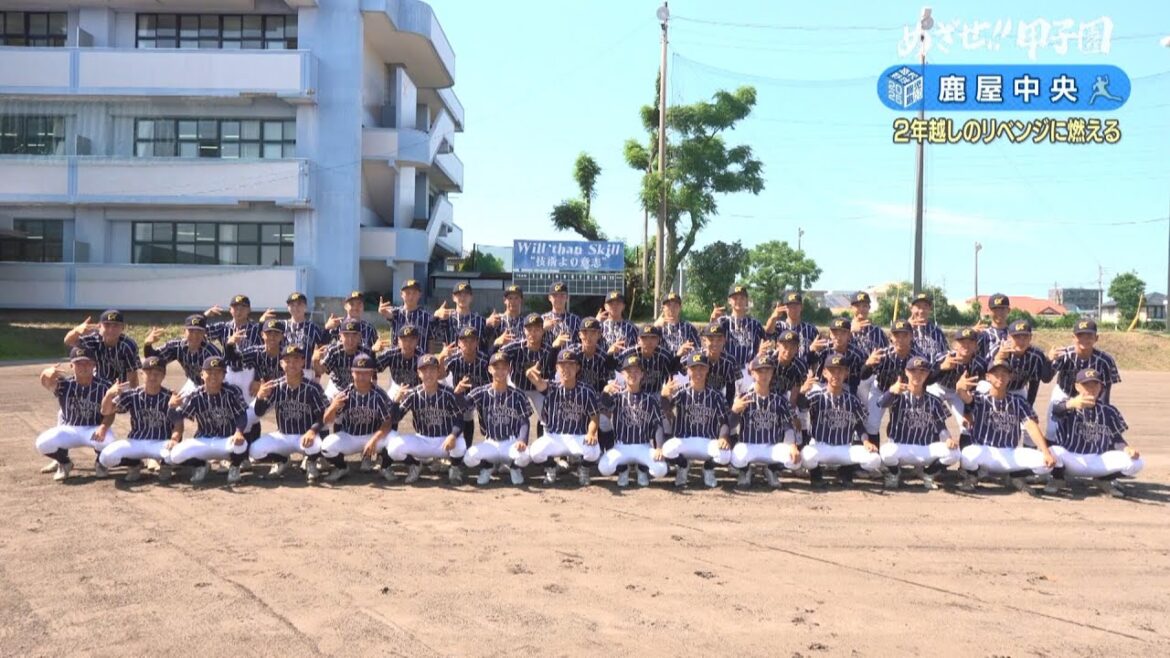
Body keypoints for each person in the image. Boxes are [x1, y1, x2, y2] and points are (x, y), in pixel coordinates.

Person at [955, 362, 1057, 495]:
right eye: (996, 374)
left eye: (1004, 374)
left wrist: (1046, 452)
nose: (1000, 377)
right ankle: (973, 476)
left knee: (1046, 463)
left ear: (1010, 377)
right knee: (967, 454)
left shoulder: (1018, 401)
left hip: (1010, 454)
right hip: (986, 452)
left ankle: (1014, 476)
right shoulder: (979, 398)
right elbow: (965, 397)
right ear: (988, 377)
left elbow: (1031, 426)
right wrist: (959, 388)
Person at [1044, 368, 1144, 498]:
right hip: (1071, 460)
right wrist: (1071, 404)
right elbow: (1056, 410)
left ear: (1100, 387)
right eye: (1086, 385)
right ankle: (1058, 479)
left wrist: (1126, 448)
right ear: (1077, 386)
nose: (1091, 389)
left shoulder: (1109, 411)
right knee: (1052, 450)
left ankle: (1103, 480)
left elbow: (1116, 438)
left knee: (1137, 462)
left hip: (1098, 460)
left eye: (1094, 385)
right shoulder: (1067, 406)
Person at [380, 354, 468, 484]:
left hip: (444, 441)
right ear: (418, 373)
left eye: (432, 370)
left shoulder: (449, 393)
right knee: (393, 448)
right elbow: (395, 419)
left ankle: (454, 468)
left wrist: (453, 435)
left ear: (438, 372)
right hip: (422, 440)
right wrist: (396, 402)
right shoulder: (413, 394)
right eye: (424, 370)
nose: (428, 374)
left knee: (461, 445)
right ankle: (415, 465)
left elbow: (459, 419)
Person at [798, 354, 881, 488]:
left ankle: (845, 472)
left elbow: (859, 425)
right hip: (820, 446)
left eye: (840, 371)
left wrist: (866, 441)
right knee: (806, 456)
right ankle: (816, 475)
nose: (836, 375)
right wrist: (802, 392)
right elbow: (802, 406)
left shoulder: (852, 400)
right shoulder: (816, 396)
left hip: (845, 447)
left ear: (846, 373)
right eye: (832, 371)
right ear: (825, 373)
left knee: (874, 459)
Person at [249, 346, 328, 483]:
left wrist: (312, 431)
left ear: (303, 362)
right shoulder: (275, 386)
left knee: (318, 446)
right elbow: (259, 412)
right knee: (254, 450)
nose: (292, 364)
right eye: (288, 360)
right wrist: (260, 397)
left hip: (305, 436)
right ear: (281, 363)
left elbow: (322, 416)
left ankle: (310, 462)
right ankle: (282, 460)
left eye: (296, 360)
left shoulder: (313, 388)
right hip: (283, 436)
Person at [167, 356, 250, 485]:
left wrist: (239, 432)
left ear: (224, 375)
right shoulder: (195, 395)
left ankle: (234, 467)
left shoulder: (232, 391)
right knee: (174, 455)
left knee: (242, 444)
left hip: (227, 440)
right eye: (209, 372)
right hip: (203, 440)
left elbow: (241, 415)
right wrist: (172, 407)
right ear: (202, 374)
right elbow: (177, 417)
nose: (213, 376)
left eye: (218, 372)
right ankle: (201, 465)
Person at [877, 356, 957, 490]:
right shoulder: (898, 395)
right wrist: (891, 391)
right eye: (913, 371)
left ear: (927, 374)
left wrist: (948, 438)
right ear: (906, 372)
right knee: (885, 451)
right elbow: (880, 404)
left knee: (954, 453)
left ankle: (928, 474)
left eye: (922, 372)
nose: (917, 375)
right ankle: (894, 474)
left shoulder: (934, 400)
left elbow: (940, 426)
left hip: (925, 448)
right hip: (901, 447)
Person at [35, 347, 114, 482]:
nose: (83, 367)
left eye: (87, 363)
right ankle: (64, 463)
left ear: (94, 365)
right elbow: (46, 383)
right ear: (72, 365)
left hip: (93, 429)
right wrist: (45, 374)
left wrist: (103, 427)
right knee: (42, 443)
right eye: (79, 363)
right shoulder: (64, 384)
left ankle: (100, 464)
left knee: (109, 441)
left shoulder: (105, 385)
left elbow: (111, 412)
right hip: (69, 429)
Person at [526, 350, 602, 485]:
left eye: (570, 365)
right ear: (557, 368)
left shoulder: (586, 390)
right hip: (554, 437)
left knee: (594, 451)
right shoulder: (551, 387)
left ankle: (583, 469)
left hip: (577, 436)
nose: (566, 369)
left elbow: (594, 416)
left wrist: (591, 433)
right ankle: (552, 467)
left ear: (577, 368)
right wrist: (531, 372)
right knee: (535, 452)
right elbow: (536, 380)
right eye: (562, 365)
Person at [458, 353, 536, 486]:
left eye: (504, 367)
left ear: (509, 369)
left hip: (511, 442)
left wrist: (522, 440)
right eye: (496, 368)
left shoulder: (518, 394)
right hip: (490, 443)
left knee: (525, 456)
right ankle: (487, 466)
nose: (500, 371)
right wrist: (458, 393)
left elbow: (524, 421)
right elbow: (463, 406)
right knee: (469, 458)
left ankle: (514, 467)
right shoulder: (481, 392)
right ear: (490, 369)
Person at [727, 354, 802, 488]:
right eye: (760, 371)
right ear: (752, 373)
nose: (764, 374)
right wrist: (734, 411)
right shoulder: (744, 397)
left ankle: (771, 470)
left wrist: (792, 445)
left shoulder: (779, 399)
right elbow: (731, 425)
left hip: (771, 447)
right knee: (736, 456)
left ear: (772, 373)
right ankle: (745, 470)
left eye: (767, 370)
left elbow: (787, 427)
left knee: (794, 460)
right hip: (749, 445)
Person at [97, 356, 174, 483]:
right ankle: (134, 464)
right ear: (141, 374)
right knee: (106, 457)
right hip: (135, 442)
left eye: (157, 373)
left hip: (160, 443)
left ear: (163, 376)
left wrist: (174, 439)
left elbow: (178, 424)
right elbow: (105, 411)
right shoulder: (132, 394)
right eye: (149, 372)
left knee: (178, 454)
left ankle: (166, 465)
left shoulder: (170, 396)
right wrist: (109, 395)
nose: (153, 377)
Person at [319, 353, 394, 483]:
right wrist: (333, 407)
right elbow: (327, 421)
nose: (361, 377)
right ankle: (342, 468)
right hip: (350, 437)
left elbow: (387, 423)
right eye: (358, 372)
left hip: (372, 436)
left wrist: (374, 440)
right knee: (326, 446)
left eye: (366, 373)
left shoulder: (379, 395)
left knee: (395, 441)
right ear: (352, 373)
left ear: (372, 373)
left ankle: (384, 467)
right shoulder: (345, 394)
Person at [662, 352, 732, 488]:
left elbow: (724, 421)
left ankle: (708, 468)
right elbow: (665, 412)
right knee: (666, 450)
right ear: (688, 370)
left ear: (707, 369)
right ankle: (683, 466)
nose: (698, 372)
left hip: (707, 442)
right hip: (684, 441)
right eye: (694, 368)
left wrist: (723, 437)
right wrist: (664, 397)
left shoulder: (716, 395)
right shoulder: (680, 392)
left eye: (701, 368)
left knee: (726, 455)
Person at [598, 355, 669, 486]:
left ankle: (642, 469)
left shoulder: (650, 399)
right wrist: (605, 392)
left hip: (643, 445)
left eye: (636, 371)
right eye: (629, 371)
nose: (632, 374)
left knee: (661, 469)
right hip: (621, 446)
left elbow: (658, 425)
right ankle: (623, 469)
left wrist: (659, 447)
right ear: (623, 375)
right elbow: (604, 405)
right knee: (604, 468)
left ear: (642, 374)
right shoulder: (617, 396)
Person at [1047, 319, 1120, 439]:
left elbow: (1106, 389)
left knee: (1087, 432)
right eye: (1080, 335)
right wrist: (1049, 360)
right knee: (1052, 430)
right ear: (1073, 337)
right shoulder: (1064, 354)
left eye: (1089, 336)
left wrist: (1101, 410)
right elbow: (1046, 378)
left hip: (1090, 396)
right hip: (1064, 393)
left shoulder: (1105, 361)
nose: (1084, 339)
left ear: (1096, 338)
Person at [859, 320, 922, 446]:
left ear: (911, 336)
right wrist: (868, 364)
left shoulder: (918, 357)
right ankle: (874, 454)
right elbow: (863, 376)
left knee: (904, 424)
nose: (900, 339)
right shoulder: (883, 354)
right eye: (897, 335)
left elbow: (926, 379)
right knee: (872, 424)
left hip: (905, 394)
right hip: (881, 390)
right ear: (891, 337)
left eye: (904, 335)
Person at [925, 327, 987, 445]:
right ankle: (943, 442)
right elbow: (926, 380)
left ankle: (965, 454)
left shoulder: (979, 364)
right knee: (931, 410)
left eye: (970, 342)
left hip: (959, 393)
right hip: (938, 387)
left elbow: (973, 392)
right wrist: (942, 368)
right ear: (954, 345)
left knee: (966, 425)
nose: (966, 345)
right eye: (962, 342)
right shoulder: (943, 357)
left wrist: (968, 412)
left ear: (976, 346)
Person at [498, 313, 557, 433]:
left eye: (537, 330)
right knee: (510, 412)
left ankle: (545, 440)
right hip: (517, 385)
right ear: (524, 331)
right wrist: (497, 343)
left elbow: (552, 374)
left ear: (542, 331)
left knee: (547, 415)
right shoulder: (515, 347)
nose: (533, 333)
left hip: (537, 388)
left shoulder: (548, 350)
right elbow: (496, 358)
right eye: (529, 329)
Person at [143, 314, 221, 398]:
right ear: (184, 331)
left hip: (214, 385)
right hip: (194, 383)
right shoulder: (177, 346)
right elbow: (154, 361)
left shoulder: (211, 352)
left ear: (204, 333)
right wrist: (147, 345)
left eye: (199, 332)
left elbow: (218, 378)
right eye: (191, 331)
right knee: (178, 404)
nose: (195, 335)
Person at [205, 294, 265, 395]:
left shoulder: (256, 329)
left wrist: (257, 378)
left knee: (249, 404)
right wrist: (205, 316)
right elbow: (201, 332)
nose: (239, 311)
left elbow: (261, 356)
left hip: (248, 373)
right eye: (235, 308)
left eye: (243, 308)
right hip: (228, 372)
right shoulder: (223, 327)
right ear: (230, 310)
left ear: (249, 310)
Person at [64, 309, 141, 386]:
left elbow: (132, 375)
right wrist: (76, 331)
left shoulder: (128, 346)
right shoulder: (93, 340)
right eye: (107, 325)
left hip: (121, 386)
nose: (111, 330)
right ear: (99, 326)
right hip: (98, 386)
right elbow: (68, 341)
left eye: (116, 326)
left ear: (122, 327)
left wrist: (128, 392)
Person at [313, 319, 374, 399]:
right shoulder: (334, 351)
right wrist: (315, 360)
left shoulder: (366, 353)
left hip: (359, 388)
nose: (350, 339)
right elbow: (321, 370)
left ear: (359, 337)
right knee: (326, 402)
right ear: (340, 336)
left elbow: (371, 377)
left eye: (354, 335)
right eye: (346, 335)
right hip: (336, 387)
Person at [711, 283, 764, 369]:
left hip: (749, 369)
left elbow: (766, 341)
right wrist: (713, 321)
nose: (739, 301)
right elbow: (711, 340)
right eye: (735, 298)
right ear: (729, 301)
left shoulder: (755, 324)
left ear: (747, 301)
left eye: (742, 298)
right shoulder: (722, 321)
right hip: (726, 368)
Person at [614, 324, 677, 396]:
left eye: (653, 337)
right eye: (644, 338)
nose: (649, 341)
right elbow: (613, 369)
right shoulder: (628, 354)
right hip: (632, 394)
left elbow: (673, 374)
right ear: (638, 340)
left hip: (656, 394)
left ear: (658, 340)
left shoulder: (665, 356)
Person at [284, 292, 329, 379]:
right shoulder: (282, 326)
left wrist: (317, 374)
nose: (296, 308)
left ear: (305, 307)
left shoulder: (313, 328)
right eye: (292, 305)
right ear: (288, 307)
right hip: (285, 371)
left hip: (306, 371)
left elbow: (322, 349)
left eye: (299, 304)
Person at [378, 278, 433, 346]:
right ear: (401, 294)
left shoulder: (427, 317)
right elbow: (389, 314)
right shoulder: (396, 313)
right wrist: (382, 311)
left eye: (414, 293)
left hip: (420, 352)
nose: (411, 296)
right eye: (408, 293)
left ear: (420, 295)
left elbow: (431, 341)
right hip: (397, 352)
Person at [765, 291, 819, 359]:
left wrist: (812, 349)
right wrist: (773, 317)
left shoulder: (811, 329)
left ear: (801, 307)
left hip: (805, 364)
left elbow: (818, 355)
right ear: (785, 308)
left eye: (796, 305)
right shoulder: (778, 326)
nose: (793, 309)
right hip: (782, 364)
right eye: (790, 306)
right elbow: (768, 332)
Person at [907, 292, 949, 362]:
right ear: (911, 309)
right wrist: (907, 328)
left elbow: (945, 355)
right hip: (910, 368)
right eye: (918, 307)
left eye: (925, 307)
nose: (922, 311)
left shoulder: (937, 332)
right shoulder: (903, 330)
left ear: (930, 309)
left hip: (933, 368)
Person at [542, 281, 582, 347]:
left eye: (562, 295)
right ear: (549, 298)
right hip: (548, 353)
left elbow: (582, 342)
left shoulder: (575, 320)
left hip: (570, 352)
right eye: (555, 295)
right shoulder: (542, 319)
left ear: (567, 297)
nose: (558, 298)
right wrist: (542, 329)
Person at [977, 293, 1012, 361]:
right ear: (989, 311)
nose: (999, 313)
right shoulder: (983, 335)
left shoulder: (1014, 334)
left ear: (1008, 310)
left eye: (1002, 309)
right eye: (995, 309)